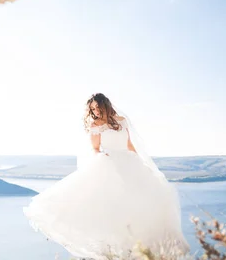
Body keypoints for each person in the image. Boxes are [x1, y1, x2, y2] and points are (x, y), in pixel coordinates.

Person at [24, 93, 189, 259]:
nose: (95, 111)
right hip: (109, 162)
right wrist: (103, 157)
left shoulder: (122, 120)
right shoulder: (95, 125)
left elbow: (129, 144)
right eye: (92, 109)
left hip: (130, 163)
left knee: (143, 202)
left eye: (97, 107)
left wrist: (142, 162)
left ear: (106, 105)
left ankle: (141, 247)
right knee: (112, 205)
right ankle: (119, 248)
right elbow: (95, 148)